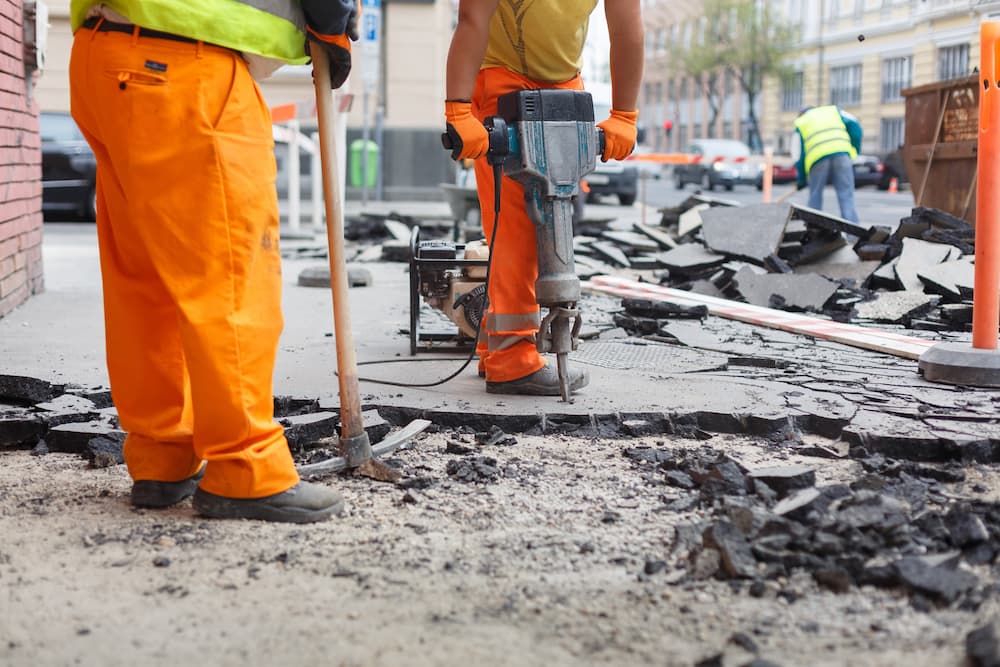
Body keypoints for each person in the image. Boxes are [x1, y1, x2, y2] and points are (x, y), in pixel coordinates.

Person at [68, 0, 356, 523]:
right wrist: (333, 21)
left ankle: (162, 455)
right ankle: (246, 468)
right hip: (184, 64)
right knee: (229, 275)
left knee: (145, 277)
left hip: (103, 51)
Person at [443, 0, 643, 395]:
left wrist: (624, 115)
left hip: (565, 84)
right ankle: (512, 359)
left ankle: (495, 344)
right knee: (518, 231)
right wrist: (459, 109)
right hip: (499, 78)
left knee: (550, 223)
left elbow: (627, 29)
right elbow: (472, 18)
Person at [794, 104, 863, 223]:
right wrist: (854, 150)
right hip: (842, 154)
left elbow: (798, 154)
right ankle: (853, 234)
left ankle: (814, 230)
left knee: (815, 195)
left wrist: (801, 180)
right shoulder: (833, 111)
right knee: (846, 194)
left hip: (817, 158)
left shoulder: (801, 122)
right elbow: (856, 127)